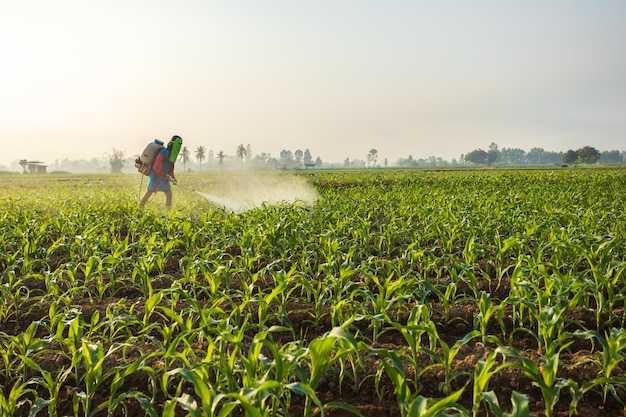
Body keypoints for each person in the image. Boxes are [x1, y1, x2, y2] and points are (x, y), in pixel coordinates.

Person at [140, 135, 182, 209]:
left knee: (169, 194)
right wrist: (164, 175)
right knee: (149, 193)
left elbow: (170, 169)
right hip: (155, 176)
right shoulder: (164, 152)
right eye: (178, 144)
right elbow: (156, 166)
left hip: (163, 177)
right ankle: (140, 208)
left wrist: (173, 178)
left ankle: (168, 211)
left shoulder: (172, 156)